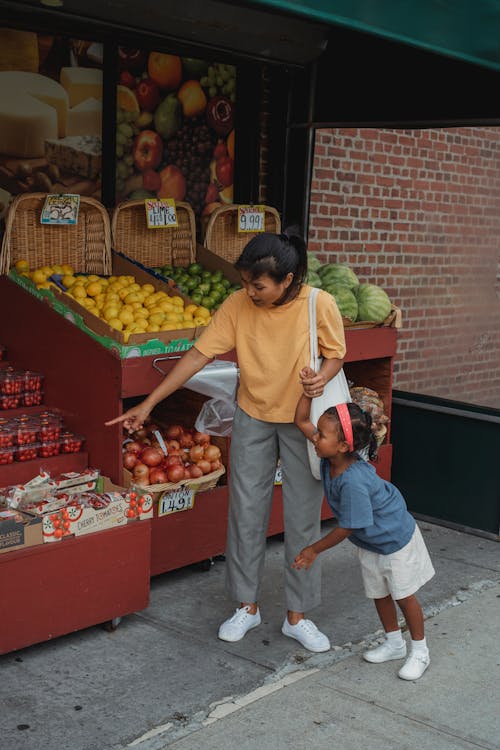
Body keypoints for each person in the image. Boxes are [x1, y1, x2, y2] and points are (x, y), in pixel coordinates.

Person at [106, 229, 346, 653]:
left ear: (287, 280)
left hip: (302, 420)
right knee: (245, 511)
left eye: (258, 285)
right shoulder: (237, 305)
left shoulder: (318, 303)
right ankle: (247, 607)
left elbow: (335, 353)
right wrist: (149, 404)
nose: (249, 291)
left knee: (304, 515)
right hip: (252, 415)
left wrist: (319, 380)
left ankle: (298, 615)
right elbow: (199, 355)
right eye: (245, 282)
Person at [293, 392, 435, 679]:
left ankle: (420, 651)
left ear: (344, 445)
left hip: (395, 541)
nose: (315, 438)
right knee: (379, 593)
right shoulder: (330, 455)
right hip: (371, 542)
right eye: (318, 432)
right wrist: (307, 394)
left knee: (403, 596)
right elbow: (300, 420)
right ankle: (394, 643)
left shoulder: (353, 480)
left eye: (321, 434)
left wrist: (313, 550)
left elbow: (348, 527)